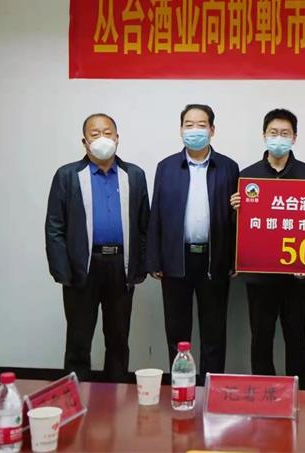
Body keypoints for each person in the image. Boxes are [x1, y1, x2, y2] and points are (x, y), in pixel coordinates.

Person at [45, 113, 149, 382]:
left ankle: (116, 395)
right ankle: (76, 396)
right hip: (82, 267)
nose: (102, 138)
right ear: (85, 142)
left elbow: (144, 226)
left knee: (118, 339)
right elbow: (54, 227)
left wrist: (140, 267)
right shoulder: (68, 175)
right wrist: (63, 272)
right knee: (78, 340)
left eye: (108, 132)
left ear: (117, 138)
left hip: (121, 267)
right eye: (95, 134)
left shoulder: (134, 175)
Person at [230, 109, 305, 387]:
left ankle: (300, 393)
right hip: (259, 276)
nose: (278, 138)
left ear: (294, 137)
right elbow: (240, 227)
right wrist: (236, 209)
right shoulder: (248, 176)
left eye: (284, 133)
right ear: (264, 135)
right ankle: (263, 393)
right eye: (273, 133)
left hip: (296, 274)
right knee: (261, 338)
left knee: (297, 338)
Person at [147, 104, 239, 377]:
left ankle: (211, 386)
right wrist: (154, 259)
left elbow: (236, 220)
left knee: (214, 333)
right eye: (189, 125)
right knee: (177, 333)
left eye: (201, 125)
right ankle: (181, 385)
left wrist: (235, 258)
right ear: (180, 130)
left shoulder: (228, 167)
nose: (195, 130)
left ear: (212, 130)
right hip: (176, 260)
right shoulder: (166, 167)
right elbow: (156, 215)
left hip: (214, 260)